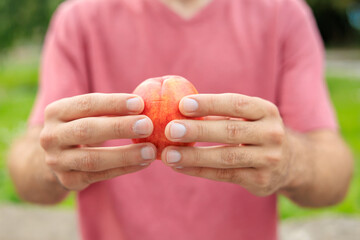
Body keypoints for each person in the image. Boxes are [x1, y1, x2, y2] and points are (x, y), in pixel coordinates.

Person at [8, 0, 353, 239]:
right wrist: (49, 160)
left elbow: (335, 176)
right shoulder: (79, 18)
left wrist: (293, 159)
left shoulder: (284, 14)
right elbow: (26, 174)